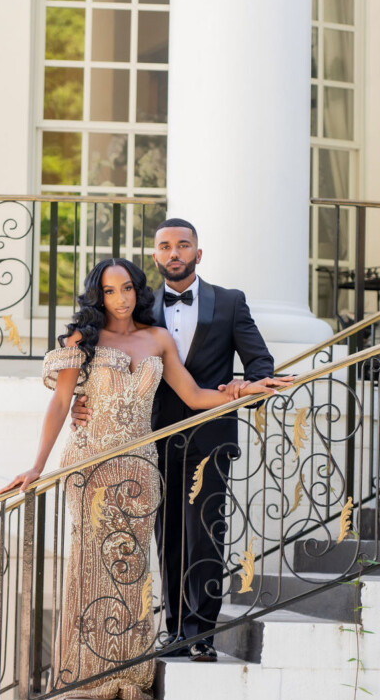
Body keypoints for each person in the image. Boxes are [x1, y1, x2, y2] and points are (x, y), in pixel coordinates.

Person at [0, 257, 289, 700]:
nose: (121, 299)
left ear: (139, 290)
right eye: (111, 291)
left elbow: (194, 397)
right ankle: (84, 675)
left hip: (138, 467)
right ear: (99, 294)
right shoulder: (84, 339)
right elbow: (60, 404)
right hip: (92, 464)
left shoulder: (157, 339)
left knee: (133, 571)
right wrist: (36, 466)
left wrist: (241, 391)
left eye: (128, 288)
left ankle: (129, 673)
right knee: (91, 568)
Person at [71, 219, 276, 663]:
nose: (175, 253)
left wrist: (247, 387)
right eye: (165, 246)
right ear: (156, 256)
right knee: (166, 538)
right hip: (152, 438)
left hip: (211, 439)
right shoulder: (139, 310)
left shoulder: (230, 303)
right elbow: (105, 362)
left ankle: (201, 634)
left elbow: (260, 361)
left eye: (183, 245)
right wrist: (81, 403)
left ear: (198, 253)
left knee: (205, 535)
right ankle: (174, 631)